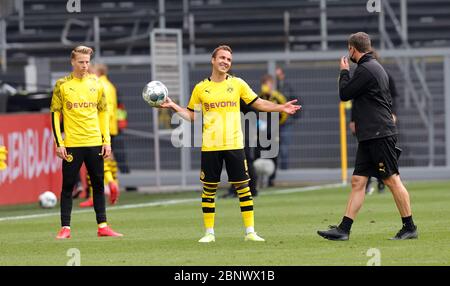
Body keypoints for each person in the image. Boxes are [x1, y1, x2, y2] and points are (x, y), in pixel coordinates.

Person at [160, 45, 300, 243]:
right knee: (209, 189)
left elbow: (258, 102)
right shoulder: (201, 88)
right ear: (213, 60)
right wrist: (174, 105)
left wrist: (280, 107)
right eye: (222, 58)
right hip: (210, 146)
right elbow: (192, 115)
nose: (225, 61)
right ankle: (209, 233)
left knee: (244, 187)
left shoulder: (237, 84)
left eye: (229, 59)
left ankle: (250, 231)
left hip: (234, 144)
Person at [317, 32, 417, 241]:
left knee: (391, 180)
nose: (348, 54)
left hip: (378, 134)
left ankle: (409, 227)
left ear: (353, 49)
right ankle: (344, 229)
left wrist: (344, 71)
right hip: (371, 135)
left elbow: (344, 94)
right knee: (358, 181)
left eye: (349, 49)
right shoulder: (375, 67)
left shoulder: (365, 70)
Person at [50, 46, 123, 239]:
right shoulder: (62, 85)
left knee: (98, 185)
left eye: (87, 62)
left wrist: (106, 141)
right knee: (68, 187)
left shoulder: (97, 84)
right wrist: (59, 142)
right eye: (81, 62)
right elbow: (55, 115)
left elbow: (103, 113)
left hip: (94, 142)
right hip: (73, 144)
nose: (84, 66)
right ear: (72, 62)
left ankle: (103, 226)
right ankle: (65, 228)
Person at [79, 63, 120, 207]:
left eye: (91, 70)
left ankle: (96, 193)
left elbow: (103, 109)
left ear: (99, 71)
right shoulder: (110, 85)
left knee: (92, 160)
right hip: (110, 127)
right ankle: (114, 184)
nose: (88, 72)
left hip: (100, 128)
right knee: (108, 158)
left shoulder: (99, 85)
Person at [222, 99, 260, 198]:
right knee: (238, 161)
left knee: (245, 160)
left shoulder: (238, 93)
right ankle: (242, 189)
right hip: (235, 132)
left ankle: (248, 189)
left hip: (241, 132)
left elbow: (253, 111)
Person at [258, 74, 288, 187]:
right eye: (264, 84)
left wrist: (277, 124)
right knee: (261, 153)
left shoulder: (278, 97)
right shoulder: (260, 96)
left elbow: (284, 112)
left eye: (268, 84)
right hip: (262, 131)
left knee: (274, 154)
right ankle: (260, 178)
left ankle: (271, 179)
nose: (266, 86)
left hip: (275, 129)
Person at [275, 67, 301, 170]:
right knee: (273, 148)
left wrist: (292, 118)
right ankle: (274, 173)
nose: (278, 77)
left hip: (286, 124)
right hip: (274, 123)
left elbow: (297, 102)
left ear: (282, 75)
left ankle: (284, 171)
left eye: (279, 74)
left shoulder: (288, 88)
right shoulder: (273, 88)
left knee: (284, 148)